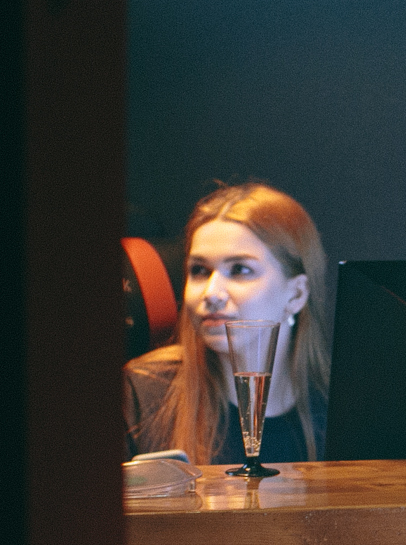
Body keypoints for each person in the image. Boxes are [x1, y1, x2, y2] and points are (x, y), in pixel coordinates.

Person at [124, 183, 330, 465]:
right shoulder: (142, 391)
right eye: (199, 271)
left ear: (296, 295)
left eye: (240, 270)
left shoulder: (338, 404)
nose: (211, 293)